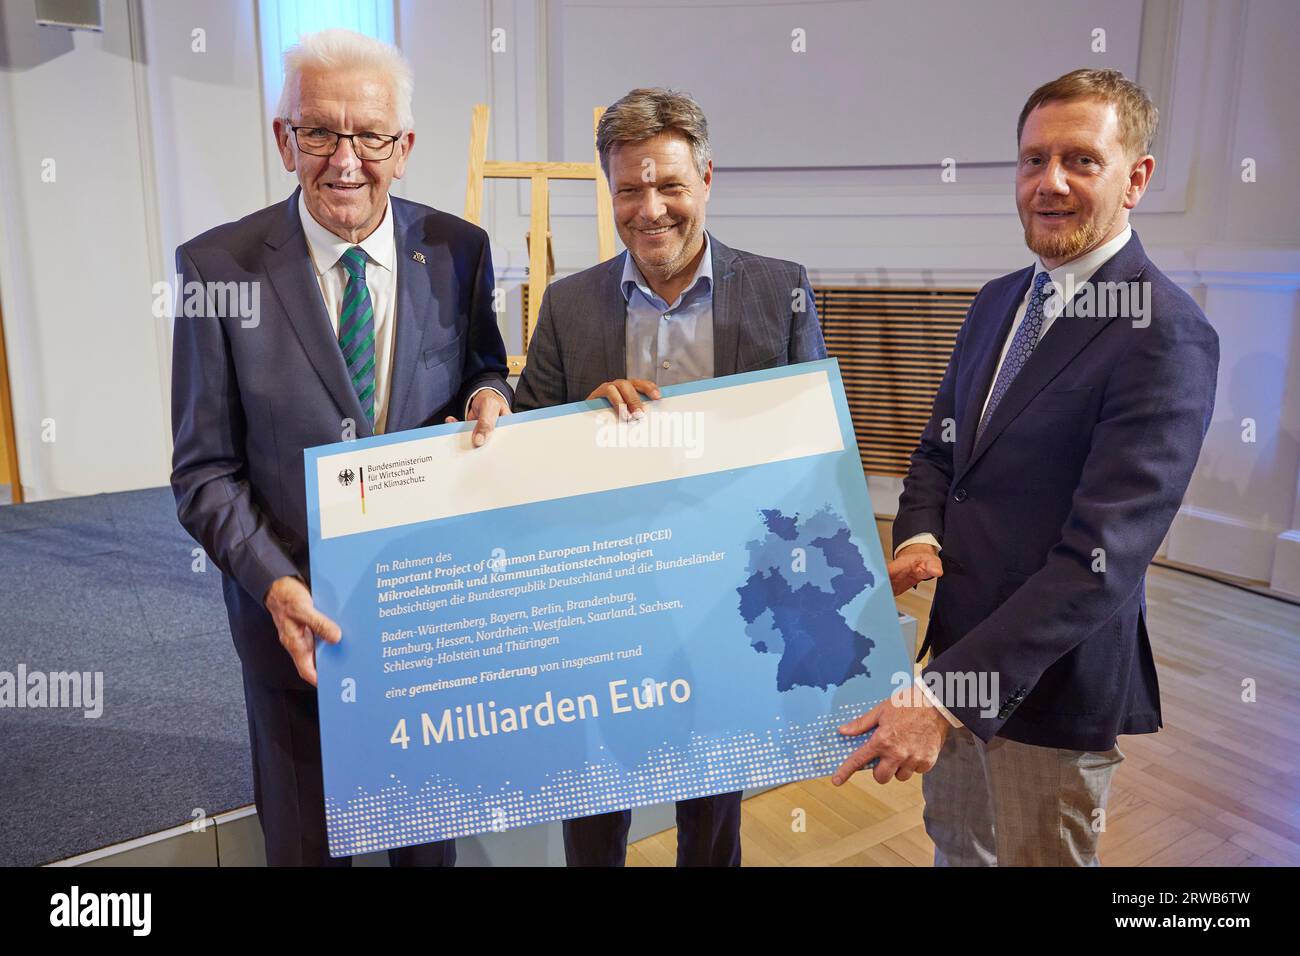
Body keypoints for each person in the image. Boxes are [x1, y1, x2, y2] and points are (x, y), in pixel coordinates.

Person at [832, 69, 1219, 866]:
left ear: (1136, 178)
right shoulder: (999, 298)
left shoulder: (1165, 333)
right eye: (1033, 159)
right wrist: (921, 535)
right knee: (958, 853)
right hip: (959, 647)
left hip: (1048, 690)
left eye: (1082, 160)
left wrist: (940, 700)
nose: (1050, 183)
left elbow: (1097, 565)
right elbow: (942, 448)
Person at [170, 28, 511, 866]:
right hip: (291, 621)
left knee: (426, 848)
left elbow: (483, 366)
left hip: (424, 612)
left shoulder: (460, 251)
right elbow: (203, 471)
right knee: (303, 846)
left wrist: (488, 396)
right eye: (320, 132)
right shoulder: (218, 266)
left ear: (405, 148)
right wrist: (276, 583)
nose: (345, 159)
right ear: (285, 139)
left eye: (371, 136)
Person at [515, 87, 827, 866]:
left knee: (712, 808)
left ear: (708, 179)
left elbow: (812, 452)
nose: (649, 209)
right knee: (591, 803)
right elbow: (522, 459)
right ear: (610, 190)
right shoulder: (566, 305)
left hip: (728, 597)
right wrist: (575, 425)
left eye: (670, 186)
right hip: (600, 594)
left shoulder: (780, 289)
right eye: (629, 189)